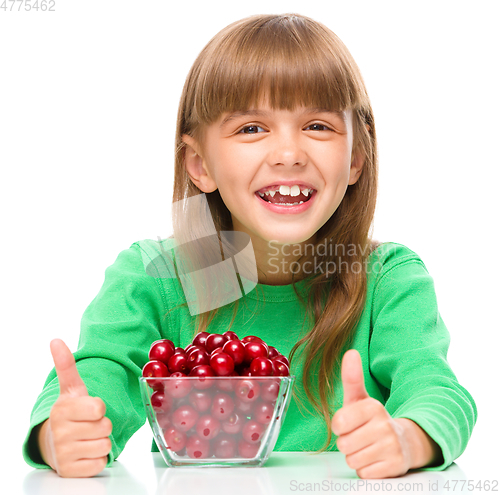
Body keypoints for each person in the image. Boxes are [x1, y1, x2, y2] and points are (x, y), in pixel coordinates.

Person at [23, 13, 476, 479]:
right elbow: (101, 372)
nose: (289, 153)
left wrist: (409, 438)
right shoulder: (155, 275)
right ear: (200, 164)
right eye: (251, 129)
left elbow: (435, 388)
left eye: (318, 126)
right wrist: (61, 433)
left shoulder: (387, 280)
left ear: (357, 157)